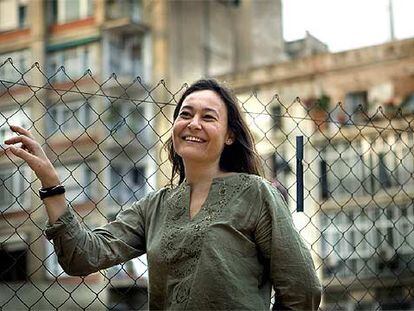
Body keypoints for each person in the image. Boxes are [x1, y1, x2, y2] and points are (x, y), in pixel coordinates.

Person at [2, 79, 321, 310]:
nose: (193, 123)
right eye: (185, 114)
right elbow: (82, 256)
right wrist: (51, 182)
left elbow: (302, 291)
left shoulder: (256, 193)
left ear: (229, 136)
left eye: (208, 117)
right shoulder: (153, 207)